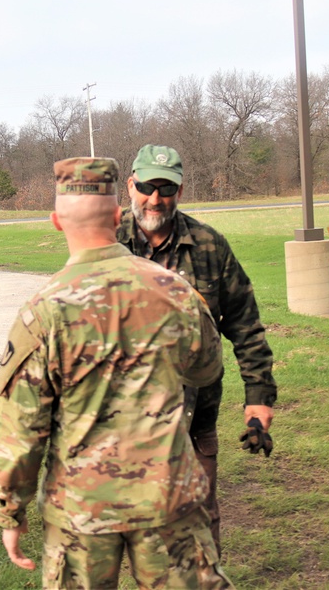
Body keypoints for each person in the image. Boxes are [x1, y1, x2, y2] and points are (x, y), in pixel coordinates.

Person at [0, 157, 234, 589]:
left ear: (55, 222)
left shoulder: (42, 313)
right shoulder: (175, 291)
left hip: (81, 508)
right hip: (169, 498)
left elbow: (21, 427)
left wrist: (11, 510)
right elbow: (207, 370)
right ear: (119, 216)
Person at [117, 144, 278, 557]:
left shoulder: (208, 246)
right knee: (131, 534)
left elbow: (244, 322)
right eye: (148, 186)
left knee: (199, 529)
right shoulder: (106, 241)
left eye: (166, 188)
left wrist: (258, 398)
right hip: (122, 424)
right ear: (130, 184)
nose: (156, 198)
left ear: (180, 191)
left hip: (193, 419)